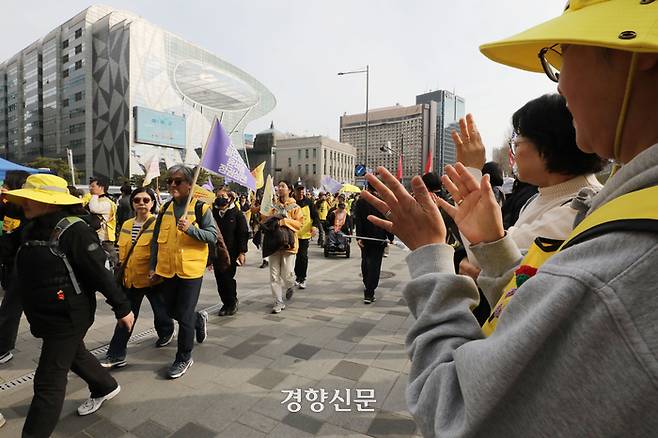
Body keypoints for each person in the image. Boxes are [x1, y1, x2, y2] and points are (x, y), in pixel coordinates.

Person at [360, 1, 658, 436]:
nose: (561, 87)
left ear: (640, 53)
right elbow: (539, 298)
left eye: (563, 55)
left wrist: (429, 257)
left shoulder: (616, 270)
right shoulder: (618, 210)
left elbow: (453, 409)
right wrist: (497, 253)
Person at [6, 174, 134, 437]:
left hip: (68, 315)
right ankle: (105, 386)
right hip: (44, 313)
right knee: (75, 354)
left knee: (48, 381)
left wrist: (123, 308)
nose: (26, 203)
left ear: (51, 202)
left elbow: (99, 273)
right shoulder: (30, 225)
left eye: (33, 199)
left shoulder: (74, 230)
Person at [149, 165, 215, 379]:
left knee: (184, 316)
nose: (172, 185)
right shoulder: (165, 208)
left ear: (189, 184)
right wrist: (153, 266)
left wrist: (191, 229)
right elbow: (155, 240)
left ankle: (184, 357)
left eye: (178, 181)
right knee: (171, 311)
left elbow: (212, 236)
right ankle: (198, 319)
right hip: (168, 270)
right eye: (170, 181)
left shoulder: (200, 209)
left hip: (190, 270)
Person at [100, 187, 175, 369]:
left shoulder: (159, 223)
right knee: (126, 317)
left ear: (152, 203)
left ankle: (169, 330)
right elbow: (122, 252)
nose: (141, 203)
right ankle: (116, 354)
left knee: (163, 312)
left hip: (153, 279)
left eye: (146, 200)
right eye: (137, 200)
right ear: (132, 203)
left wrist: (156, 270)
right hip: (131, 280)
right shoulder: (126, 224)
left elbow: (164, 251)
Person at [0, 170, 29, 364]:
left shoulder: (27, 207)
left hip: (25, 264)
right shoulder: (12, 206)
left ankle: (2, 348)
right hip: (12, 263)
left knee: (11, 306)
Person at [261, 180, 302, 313]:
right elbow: (265, 219)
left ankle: (290, 285)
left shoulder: (295, 207)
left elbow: (299, 225)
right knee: (274, 276)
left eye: (283, 186)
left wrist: (284, 221)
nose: (280, 188)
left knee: (287, 275)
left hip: (289, 245)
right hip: (274, 244)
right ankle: (278, 301)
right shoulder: (273, 206)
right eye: (279, 186)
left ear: (289, 190)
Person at [211, 187, 249, 316]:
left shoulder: (237, 214)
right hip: (217, 252)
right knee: (219, 279)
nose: (220, 199)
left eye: (223, 196)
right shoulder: (213, 213)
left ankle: (231, 302)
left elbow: (243, 233)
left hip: (231, 252)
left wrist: (242, 252)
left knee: (227, 277)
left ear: (230, 198)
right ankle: (225, 302)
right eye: (218, 196)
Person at [353, 184, 393, 304]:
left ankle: (367, 283)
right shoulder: (382, 202)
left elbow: (358, 220)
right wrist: (390, 236)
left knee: (366, 261)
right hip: (378, 238)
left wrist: (359, 237)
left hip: (365, 238)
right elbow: (387, 221)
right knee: (374, 265)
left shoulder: (361, 202)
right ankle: (369, 292)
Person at [293, 182, 319, 290]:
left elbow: (315, 216)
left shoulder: (309, 202)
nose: (300, 192)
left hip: (304, 234)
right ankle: (297, 276)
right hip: (293, 234)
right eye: (298, 189)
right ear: (294, 191)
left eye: (302, 189)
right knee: (294, 257)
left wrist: (314, 226)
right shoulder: (292, 202)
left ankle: (302, 277)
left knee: (303, 256)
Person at [88, 176, 118, 268]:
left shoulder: (106, 202)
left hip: (105, 238)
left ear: (101, 187)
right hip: (98, 237)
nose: (90, 188)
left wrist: (94, 195)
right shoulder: (100, 200)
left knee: (110, 261)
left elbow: (93, 208)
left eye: (93, 186)